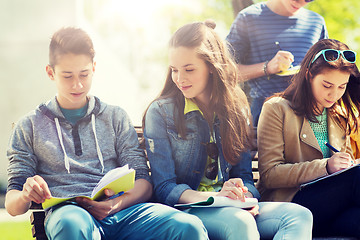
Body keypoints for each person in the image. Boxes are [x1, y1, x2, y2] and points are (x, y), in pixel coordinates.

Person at [5, 27, 209, 240]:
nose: (78, 84)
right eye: (67, 76)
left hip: (124, 213)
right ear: (50, 72)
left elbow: (144, 183)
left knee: (188, 226)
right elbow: (12, 203)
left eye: (84, 74)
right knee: (71, 222)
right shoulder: (29, 126)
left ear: (93, 68)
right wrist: (25, 195)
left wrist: (113, 205)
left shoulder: (114, 117)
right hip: (71, 214)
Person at [143, 20, 313, 240]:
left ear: (212, 67)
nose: (179, 78)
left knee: (299, 215)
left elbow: (246, 179)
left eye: (189, 69)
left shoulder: (237, 109)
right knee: (239, 222)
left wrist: (242, 195)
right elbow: (165, 188)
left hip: (231, 207)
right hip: (188, 210)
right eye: (174, 70)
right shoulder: (160, 112)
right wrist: (217, 198)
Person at [257, 38, 360, 238]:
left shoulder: (339, 114)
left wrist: (349, 164)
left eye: (342, 87)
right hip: (290, 206)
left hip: (330, 209)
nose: (334, 94)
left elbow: (343, 169)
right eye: (327, 85)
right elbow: (269, 175)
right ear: (308, 75)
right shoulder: (277, 109)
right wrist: (326, 167)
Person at [226, 0, 328, 126]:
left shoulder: (316, 22)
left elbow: (326, 70)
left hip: (308, 113)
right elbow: (225, 72)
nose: (301, 1)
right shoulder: (248, 18)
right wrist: (267, 67)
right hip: (264, 112)